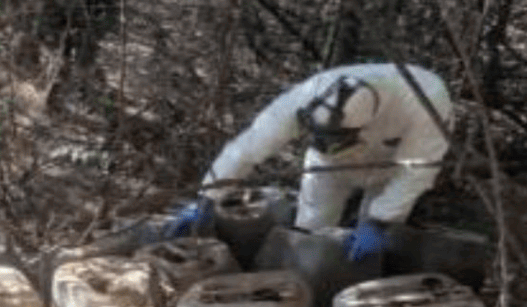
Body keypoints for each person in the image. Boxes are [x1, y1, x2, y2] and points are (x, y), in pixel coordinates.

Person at [168, 63, 451, 261]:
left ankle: (355, 284)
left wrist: (380, 220)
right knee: (310, 229)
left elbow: (418, 169)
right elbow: (248, 146)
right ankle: (307, 282)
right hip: (327, 167)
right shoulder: (312, 91)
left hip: (391, 168)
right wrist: (208, 196)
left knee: (369, 244)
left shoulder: (426, 99)